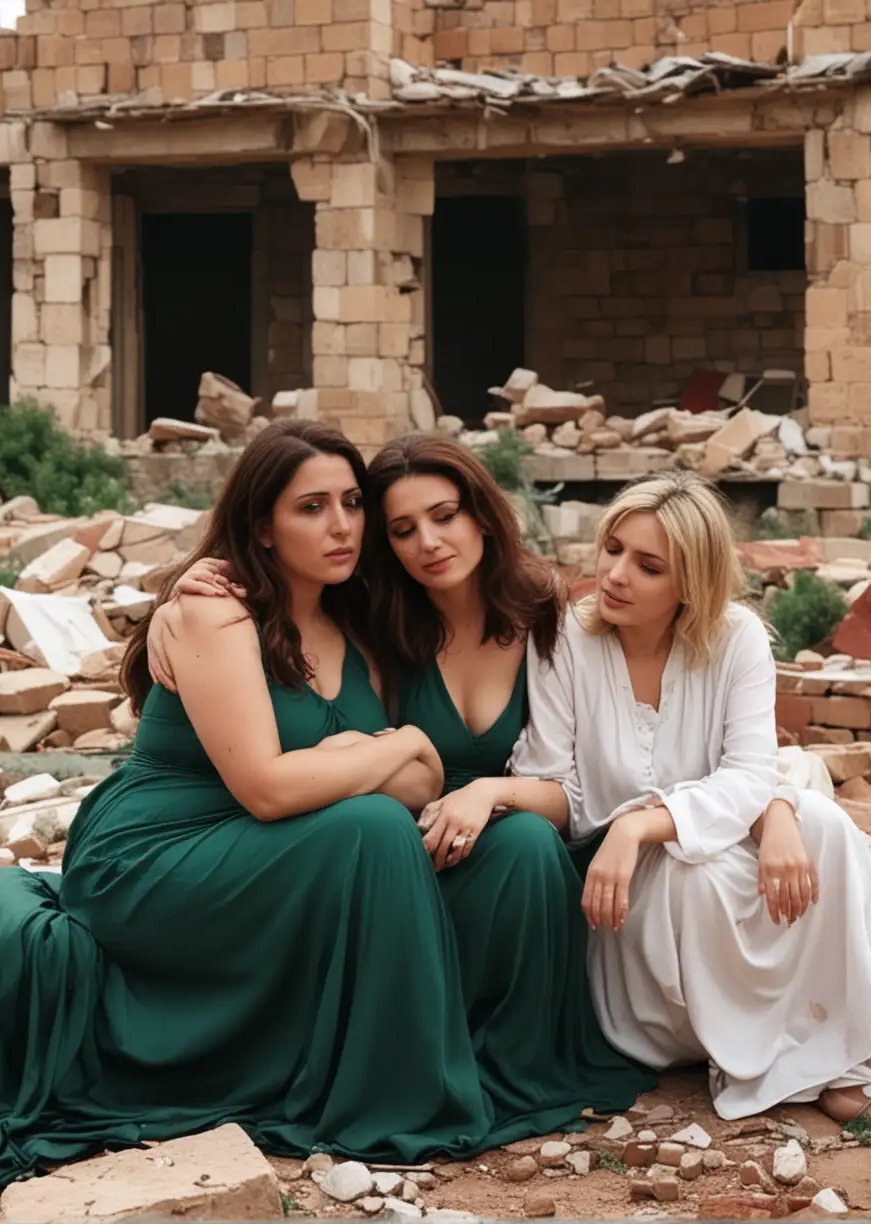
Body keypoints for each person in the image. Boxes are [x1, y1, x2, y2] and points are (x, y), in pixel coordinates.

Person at [0, 418, 512, 1189]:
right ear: (261, 527)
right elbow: (270, 788)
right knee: (366, 826)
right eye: (310, 508)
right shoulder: (218, 610)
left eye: (352, 503)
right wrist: (393, 746)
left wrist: (364, 762)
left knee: (385, 826)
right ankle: (389, 1094)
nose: (342, 526)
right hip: (152, 854)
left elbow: (422, 790)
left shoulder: (358, 627)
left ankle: (387, 1074)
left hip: (261, 847)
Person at [508, 471, 871, 1135]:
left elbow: (750, 769)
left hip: (699, 848)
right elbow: (563, 788)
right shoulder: (565, 641)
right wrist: (642, 830)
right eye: (612, 549)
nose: (615, 575)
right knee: (708, 869)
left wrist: (763, 812)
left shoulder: (736, 638)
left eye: (648, 566)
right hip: (628, 903)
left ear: (691, 583)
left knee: (820, 824)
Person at [152, 433, 656, 1135]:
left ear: (481, 512)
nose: (428, 542)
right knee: (400, 836)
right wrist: (175, 597)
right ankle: (410, 1070)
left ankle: (511, 1067)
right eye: (401, 528)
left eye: (444, 516)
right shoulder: (379, 619)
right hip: (391, 833)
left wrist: (486, 792)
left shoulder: (547, 616)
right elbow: (271, 642)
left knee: (530, 850)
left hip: (491, 829)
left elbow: (579, 788)